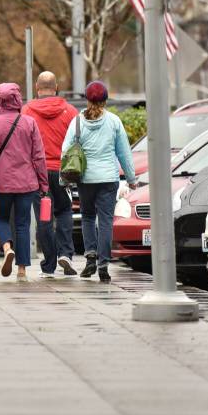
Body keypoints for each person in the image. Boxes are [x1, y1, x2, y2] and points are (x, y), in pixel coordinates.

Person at [61, 80, 137, 283]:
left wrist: (63, 178)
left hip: (85, 178)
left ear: (87, 99)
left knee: (87, 217)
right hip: (108, 179)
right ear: (105, 100)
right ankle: (103, 263)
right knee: (105, 221)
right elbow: (124, 153)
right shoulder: (114, 121)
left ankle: (90, 257)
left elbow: (65, 151)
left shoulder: (77, 122)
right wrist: (131, 179)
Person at [0, 83, 48, 282]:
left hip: (2, 181)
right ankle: (22, 270)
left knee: (0, 218)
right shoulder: (29, 123)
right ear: (18, 99)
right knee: (22, 224)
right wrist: (43, 184)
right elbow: (39, 156)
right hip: (26, 182)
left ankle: (7, 247)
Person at [21, 71, 80, 279]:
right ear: (56, 88)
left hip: (39, 173)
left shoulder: (27, 111)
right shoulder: (70, 111)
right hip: (63, 171)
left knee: (44, 216)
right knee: (64, 211)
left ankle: (49, 265)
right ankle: (66, 254)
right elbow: (78, 141)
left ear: (37, 88)